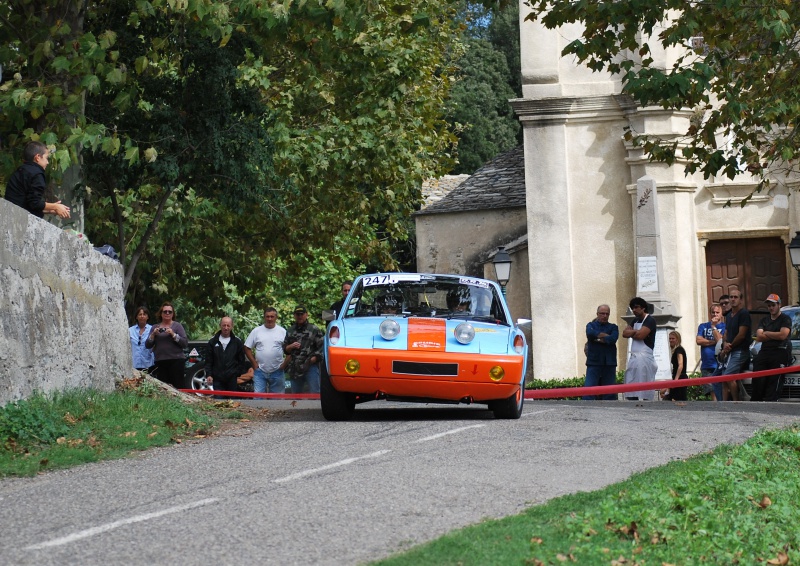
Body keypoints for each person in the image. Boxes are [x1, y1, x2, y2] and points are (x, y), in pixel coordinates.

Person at [4, 141, 71, 219]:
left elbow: (26, 204)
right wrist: (55, 206)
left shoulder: (21, 171)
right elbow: (34, 203)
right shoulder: (37, 174)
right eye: (46, 158)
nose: (47, 162)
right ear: (38, 157)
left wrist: (50, 210)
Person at [751, 294, 791, 402]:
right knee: (757, 375)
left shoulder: (785, 319)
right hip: (765, 351)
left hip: (780, 350)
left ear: (779, 305)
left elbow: (783, 335)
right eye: (769, 306)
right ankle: (756, 401)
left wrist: (767, 333)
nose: (771, 308)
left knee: (775, 378)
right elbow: (759, 336)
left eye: (773, 305)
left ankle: (772, 402)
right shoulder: (764, 320)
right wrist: (775, 335)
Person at [244, 307, 288, 394]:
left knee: (277, 401)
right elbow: (246, 347)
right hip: (260, 371)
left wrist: (284, 365)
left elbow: (290, 350)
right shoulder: (256, 331)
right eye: (267, 316)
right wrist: (254, 363)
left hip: (277, 370)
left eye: (272, 316)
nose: (269, 319)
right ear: (264, 317)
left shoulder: (282, 331)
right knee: (258, 399)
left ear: (276, 317)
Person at [718, 290, 752, 401]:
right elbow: (726, 333)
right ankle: (725, 403)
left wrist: (729, 346)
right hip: (729, 351)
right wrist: (724, 344)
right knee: (722, 377)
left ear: (740, 300)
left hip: (740, 351)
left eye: (735, 297)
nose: (733, 299)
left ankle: (737, 402)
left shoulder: (744, 314)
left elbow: (741, 335)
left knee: (728, 376)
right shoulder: (729, 316)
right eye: (731, 297)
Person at [146, 302, 189, 389]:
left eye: (170, 312)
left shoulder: (177, 326)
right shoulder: (155, 327)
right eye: (165, 311)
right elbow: (148, 345)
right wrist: (153, 335)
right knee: (163, 389)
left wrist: (173, 334)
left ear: (173, 314)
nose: (167, 313)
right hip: (160, 362)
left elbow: (184, 343)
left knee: (178, 387)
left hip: (176, 360)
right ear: (161, 313)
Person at [622, 297, 658, 401]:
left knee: (644, 381)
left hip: (644, 356)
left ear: (643, 308)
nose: (634, 310)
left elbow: (641, 335)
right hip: (634, 355)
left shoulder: (650, 320)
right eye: (632, 308)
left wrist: (633, 332)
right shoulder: (635, 320)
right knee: (631, 379)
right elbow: (624, 333)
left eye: (636, 307)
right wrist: (635, 332)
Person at [283, 305, 324, 393]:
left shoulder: (314, 329)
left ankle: (315, 407)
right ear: (294, 315)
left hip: (310, 366)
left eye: (302, 314)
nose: (300, 316)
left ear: (306, 315)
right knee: (296, 396)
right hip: (295, 367)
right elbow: (285, 349)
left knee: (315, 393)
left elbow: (322, 347)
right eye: (298, 314)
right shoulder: (290, 330)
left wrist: (313, 359)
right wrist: (290, 346)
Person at [205, 317, 250, 394]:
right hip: (217, 379)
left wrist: (237, 373)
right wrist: (209, 374)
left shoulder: (237, 342)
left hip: (232, 379)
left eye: (228, 325)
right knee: (218, 402)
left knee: (233, 402)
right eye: (224, 325)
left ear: (232, 326)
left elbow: (241, 360)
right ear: (220, 326)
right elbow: (209, 360)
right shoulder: (212, 341)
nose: (226, 328)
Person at [583, 304, 619, 400]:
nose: (604, 316)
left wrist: (597, 338)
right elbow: (590, 334)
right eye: (602, 313)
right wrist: (605, 337)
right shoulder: (590, 325)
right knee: (589, 390)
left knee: (610, 391)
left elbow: (613, 338)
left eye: (607, 314)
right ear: (597, 314)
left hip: (609, 362)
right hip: (594, 361)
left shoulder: (613, 327)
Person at [696, 304, 725, 401]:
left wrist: (713, 327)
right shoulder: (703, 326)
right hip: (707, 364)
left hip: (719, 363)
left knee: (721, 389)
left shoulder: (725, 326)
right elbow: (699, 341)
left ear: (721, 314)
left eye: (717, 312)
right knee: (711, 390)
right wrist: (713, 342)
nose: (715, 314)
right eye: (713, 312)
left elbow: (721, 341)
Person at [662, 331, 688, 401]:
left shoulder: (678, 350)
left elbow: (680, 365)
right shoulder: (676, 350)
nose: (671, 340)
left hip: (680, 378)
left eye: (673, 338)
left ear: (677, 339)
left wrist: (676, 380)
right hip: (678, 377)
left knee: (677, 400)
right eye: (670, 339)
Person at [129, 306, 155, 373]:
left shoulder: (152, 329)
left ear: (148, 317)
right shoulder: (130, 330)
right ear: (136, 317)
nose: (142, 316)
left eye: (144, 314)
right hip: (134, 364)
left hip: (149, 364)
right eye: (140, 314)